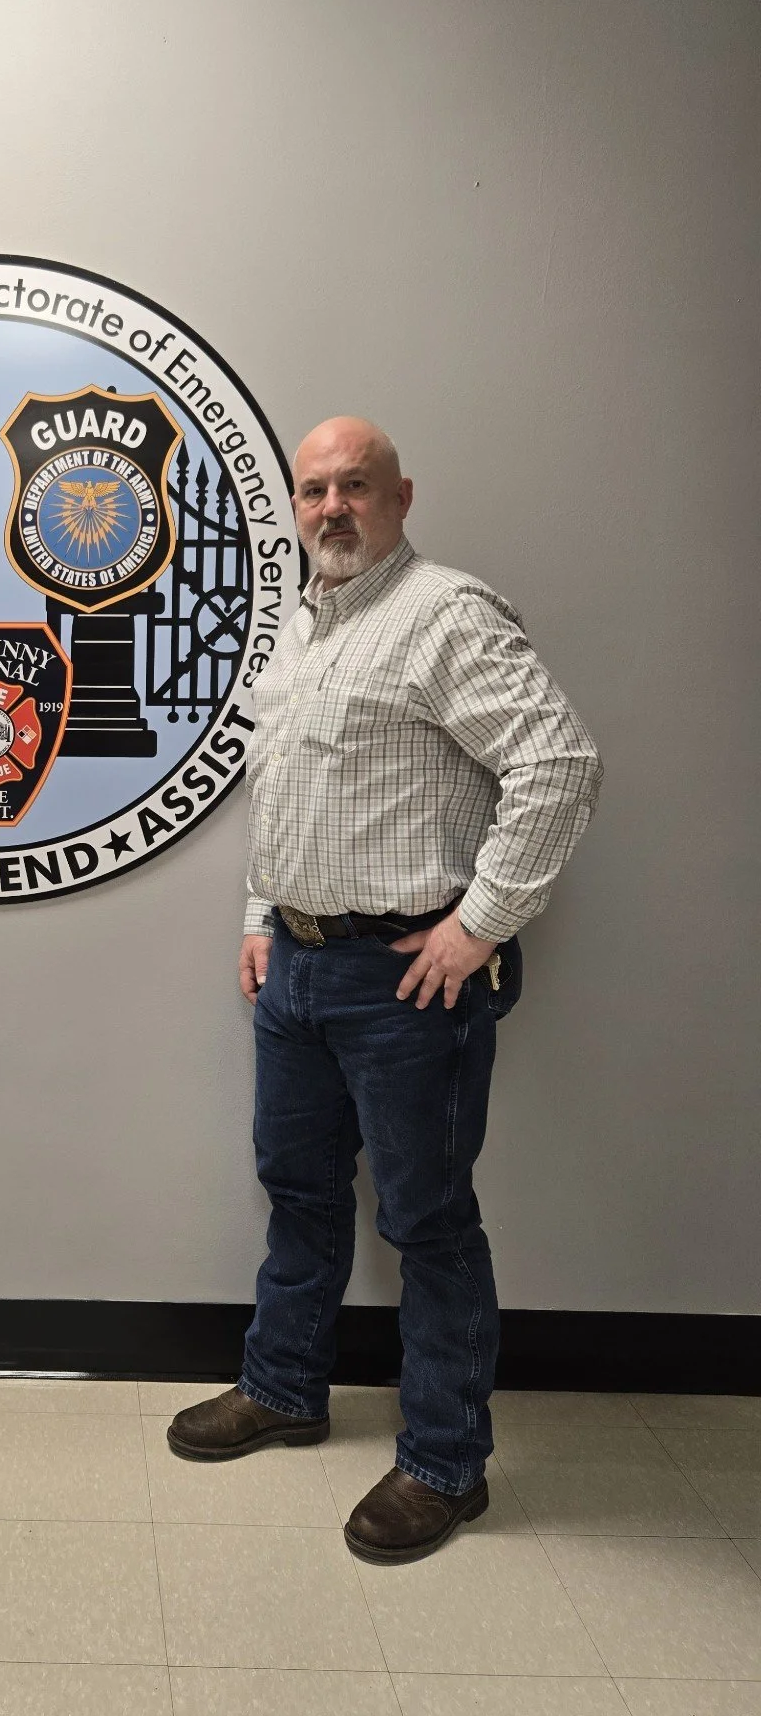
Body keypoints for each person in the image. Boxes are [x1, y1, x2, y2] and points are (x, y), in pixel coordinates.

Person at [168, 418, 601, 1564]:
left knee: (426, 1221)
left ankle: (446, 1460)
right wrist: (261, 918)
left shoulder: (444, 612)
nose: (332, 507)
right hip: (299, 969)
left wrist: (481, 922)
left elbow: (559, 762)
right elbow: (282, 793)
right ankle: (284, 1386)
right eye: (314, 489)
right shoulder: (301, 630)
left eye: (354, 484)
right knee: (299, 1190)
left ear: (400, 496)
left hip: (403, 980)